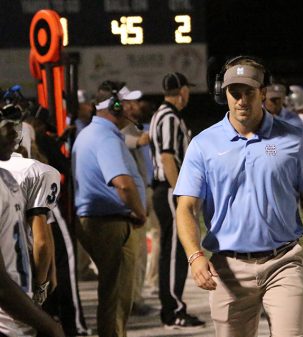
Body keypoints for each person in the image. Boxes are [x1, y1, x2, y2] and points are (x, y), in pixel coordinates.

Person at [175, 56, 303, 337]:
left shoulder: (293, 139)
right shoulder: (203, 144)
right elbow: (186, 208)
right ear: (224, 94)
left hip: (284, 262)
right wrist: (195, 256)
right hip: (228, 268)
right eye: (234, 93)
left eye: (249, 92)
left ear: (264, 93)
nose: (241, 100)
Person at [72, 81, 146, 337]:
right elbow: (123, 185)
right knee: (116, 300)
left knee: (111, 296)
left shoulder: (93, 133)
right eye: (128, 102)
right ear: (115, 106)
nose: (134, 107)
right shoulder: (105, 138)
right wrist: (140, 211)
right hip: (111, 223)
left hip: (100, 221)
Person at [0, 102, 65, 337]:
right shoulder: (37, 172)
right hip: (13, 302)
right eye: (4, 127)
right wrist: (41, 287)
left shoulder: (7, 178)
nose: (11, 135)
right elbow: (42, 241)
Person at [149, 72, 205, 328]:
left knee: (172, 252)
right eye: (187, 90)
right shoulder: (170, 117)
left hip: (165, 190)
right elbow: (168, 158)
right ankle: (173, 310)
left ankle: (173, 306)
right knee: (174, 253)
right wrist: (180, 191)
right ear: (181, 91)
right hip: (169, 190)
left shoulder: (161, 114)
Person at [118, 84, 156, 316]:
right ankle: (134, 300)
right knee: (137, 252)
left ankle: (134, 297)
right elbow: (140, 140)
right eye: (128, 103)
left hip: (143, 191)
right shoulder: (122, 130)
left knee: (140, 251)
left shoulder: (129, 127)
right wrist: (162, 125)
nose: (134, 106)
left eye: (135, 102)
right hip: (132, 199)